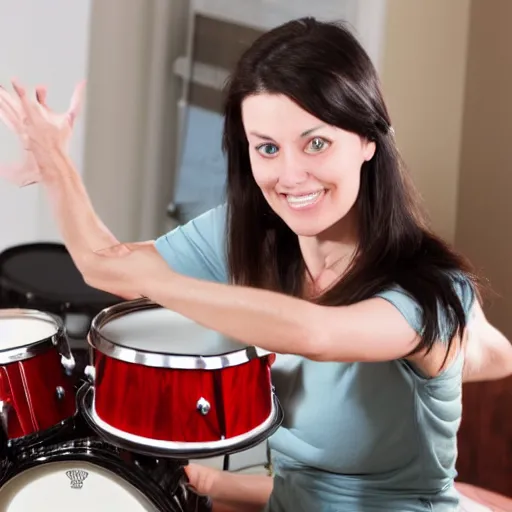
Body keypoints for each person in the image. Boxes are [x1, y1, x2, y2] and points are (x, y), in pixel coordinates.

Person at [1, 17, 511, 512]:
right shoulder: (248, 240)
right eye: (267, 148)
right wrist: (55, 166)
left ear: (368, 140)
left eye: (316, 142)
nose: (291, 175)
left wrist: (157, 283)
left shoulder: (426, 291)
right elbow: (104, 267)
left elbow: (318, 334)